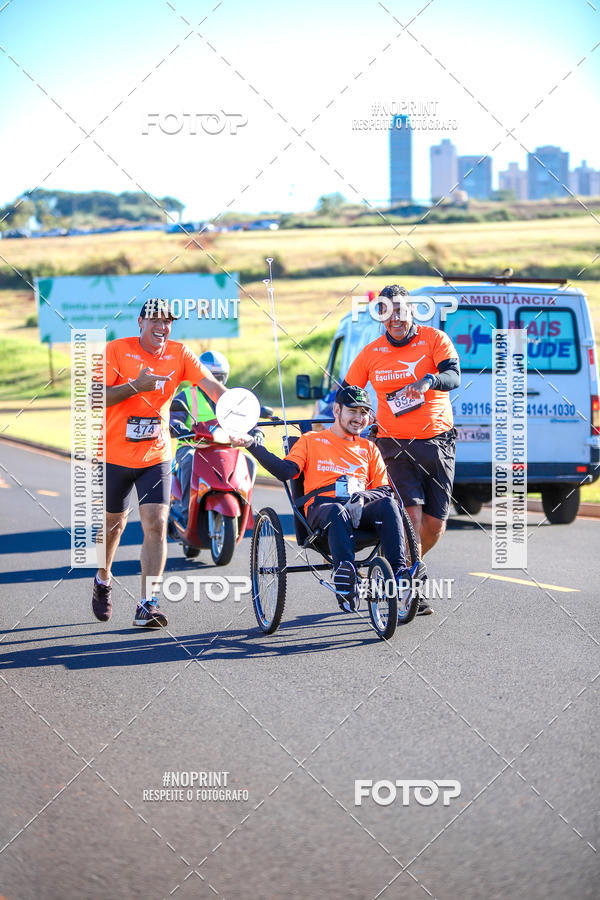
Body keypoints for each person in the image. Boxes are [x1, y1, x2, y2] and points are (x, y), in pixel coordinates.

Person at [91, 299, 227, 628]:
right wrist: (135, 386)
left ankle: (147, 603)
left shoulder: (180, 354)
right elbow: (95, 397)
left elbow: (212, 388)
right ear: (140, 322)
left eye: (168, 321)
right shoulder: (115, 351)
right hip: (114, 456)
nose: (162, 327)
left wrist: (239, 410)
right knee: (114, 526)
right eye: (155, 320)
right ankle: (103, 579)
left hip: (156, 455)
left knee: (156, 523)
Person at [238, 385, 413, 612]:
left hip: (359, 512)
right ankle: (346, 581)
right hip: (323, 516)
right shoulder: (311, 440)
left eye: (364, 413)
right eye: (353, 411)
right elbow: (285, 471)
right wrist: (253, 445)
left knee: (389, 504)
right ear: (337, 411)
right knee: (336, 511)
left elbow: (385, 490)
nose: (359, 418)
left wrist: (361, 497)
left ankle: (400, 577)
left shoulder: (369, 448)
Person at [344, 285, 461, 615]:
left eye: (400, 309)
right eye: (387, 311)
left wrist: (429, 382)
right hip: (392, 446)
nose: (395, 317)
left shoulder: (434, 339)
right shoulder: (371, 352)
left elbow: (453, 375)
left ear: (412, 310)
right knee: (411, 515)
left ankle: (404, 564)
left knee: (435, 525)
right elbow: (351, 391)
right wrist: (357, 416)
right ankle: (409, 584)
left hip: (437, 443)